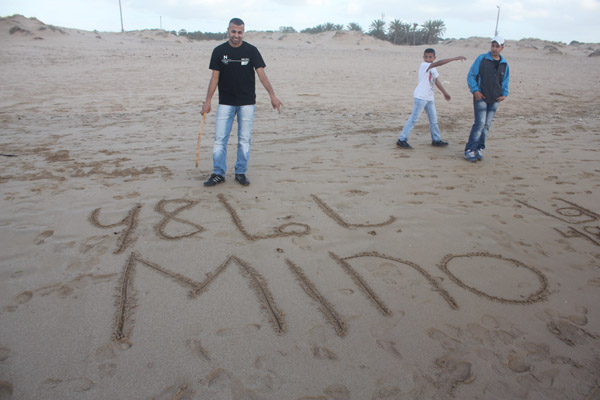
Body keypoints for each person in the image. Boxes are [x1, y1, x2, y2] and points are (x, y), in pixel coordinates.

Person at [201, 18, 282, 186]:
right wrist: (208, 101)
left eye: (239, 32)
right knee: (219, 140)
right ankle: (218, 173)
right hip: (225, 102)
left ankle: (240, 172)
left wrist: (272, 95)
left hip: (247, 103)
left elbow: (261, 74)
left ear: (243, 32)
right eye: (233, 31)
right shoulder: (219, 51)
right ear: (228, 30)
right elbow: (214, 78)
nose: (236, 35)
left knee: (244, 140)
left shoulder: (251, 50)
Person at [396, 49, 466, 149]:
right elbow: (439, 63)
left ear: (434, 57)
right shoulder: (424, 65)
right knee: (414, 119)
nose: (428, 59)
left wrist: (445, 93)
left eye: (430, 57)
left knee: (433, 120)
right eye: (426, 57)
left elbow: (436, 81)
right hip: (421, 96)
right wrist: (455, 58)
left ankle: (436, 140)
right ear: (423, 57)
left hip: (429, 97)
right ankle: (402, 140)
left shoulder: (433, 69)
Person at [464, 36, 510, 162]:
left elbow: (505, 80)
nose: (494, 48)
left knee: (486, 125)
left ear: (502, 48)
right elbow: (471, 75)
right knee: (479, 123)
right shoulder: (482, 59)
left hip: (495, 98)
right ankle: (470, 149)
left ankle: (479, 148)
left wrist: (504, 94)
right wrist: (475, 91)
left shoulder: (504, 64)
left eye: (497, 46)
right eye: (492, 46)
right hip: (481, 96)